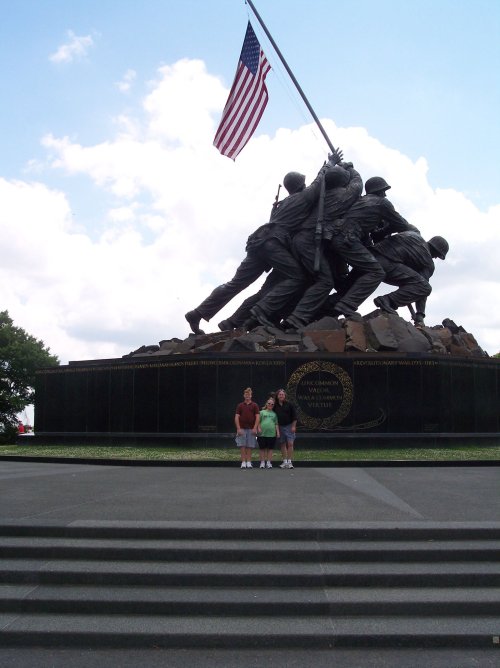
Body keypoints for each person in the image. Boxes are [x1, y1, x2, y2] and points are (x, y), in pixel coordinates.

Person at [185, 152, 343, 335]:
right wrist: (330, 163)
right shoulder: (303, 198)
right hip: (273, 244)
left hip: (258, 242)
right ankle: (260, 310)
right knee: (297, 277)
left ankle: (198, 313)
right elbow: (319, 183)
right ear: (301, 185)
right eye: (304, 183)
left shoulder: (282, 204)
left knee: (236, 283)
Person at [279, 162, 363, 331]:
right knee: (325, 281)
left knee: (311, 280)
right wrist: (351, 168)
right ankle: (297, 318)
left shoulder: (315, 197)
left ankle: (294, 315)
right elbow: (357, 185)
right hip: (309, 241)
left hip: (300, 241)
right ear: (342, 181)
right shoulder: (342, 195)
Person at [325, 176, 412, 320]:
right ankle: (346, 305)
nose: (385, 194)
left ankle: (327, 308)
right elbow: (402, 225)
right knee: (376, 272)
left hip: (335, 237)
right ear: (380, 191)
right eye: (384, 191)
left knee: (348, 280)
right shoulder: (382, 203)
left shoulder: (360, 201)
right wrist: (384, 230)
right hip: (347, 240)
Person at [370, 231, 449, 325]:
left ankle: (389, 302)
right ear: (436, 250)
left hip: (373, 256)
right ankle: (387, 300)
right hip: (388, 265)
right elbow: (422, 289)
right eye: (437, 255)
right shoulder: (428, 262)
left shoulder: (414, 237)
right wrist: (420, 315)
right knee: (425, 287)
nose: (436, 258)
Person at [235, 387, 260, 468]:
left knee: (249, 446)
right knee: (242, 446)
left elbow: (257, 417)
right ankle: (243, 462)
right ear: (244, 395)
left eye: (249, 394)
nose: (247, 396)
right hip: (242, 428)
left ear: (251, 395)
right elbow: (236, 417)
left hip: (251, 429)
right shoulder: (240, 405)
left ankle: (249, 462)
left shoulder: (255, 405)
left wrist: (255, 428)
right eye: (246, 394)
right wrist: (238, 428)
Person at [274, 388, 297, 469]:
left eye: (282, 394)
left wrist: (293, 426)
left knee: (290, 444)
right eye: (280, 394)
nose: (281, 396)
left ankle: (289, 462)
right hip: (280, 427)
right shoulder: (275, 405)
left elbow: (294, 416)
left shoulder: (289, 404)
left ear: (285, 396)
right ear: (277, 396)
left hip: (289, 426)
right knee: (282, 444)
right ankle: (284, 462)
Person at [257, 396, 280, 468]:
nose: (270, 405)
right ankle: (262, 463)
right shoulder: (261, 412)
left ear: (273, 406)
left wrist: (278, 432)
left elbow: (276, 424)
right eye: (269, 403)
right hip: (262, 434)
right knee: (262, 448)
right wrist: (258, 428)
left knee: (270, 449)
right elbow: (258, 422)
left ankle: (269, 463)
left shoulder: (274, 414)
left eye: (272, 404)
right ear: (266, 404)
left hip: (272, 434)